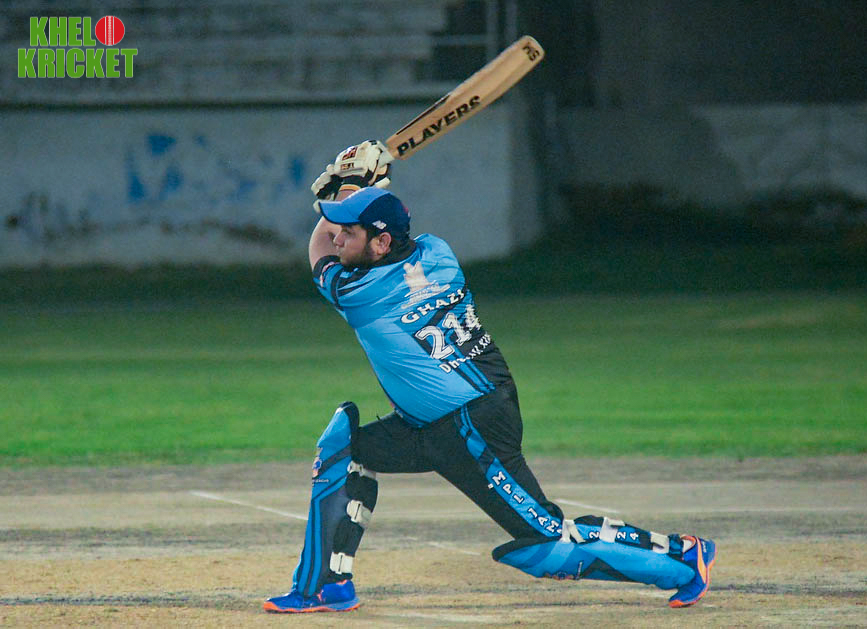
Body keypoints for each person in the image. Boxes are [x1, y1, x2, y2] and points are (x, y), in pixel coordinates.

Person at [263, 140, 716, 613]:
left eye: (348, 232)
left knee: (545, 544)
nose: (337, 238)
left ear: (380, 244)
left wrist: (348, 183)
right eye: (339, 229)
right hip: (435, 419)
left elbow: (319, 251)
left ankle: (683, 557)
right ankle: (325, 586)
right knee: (343, 449)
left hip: (472, 426)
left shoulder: (363, 292)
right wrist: (356, 191)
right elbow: (353, 235)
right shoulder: (437, 253)